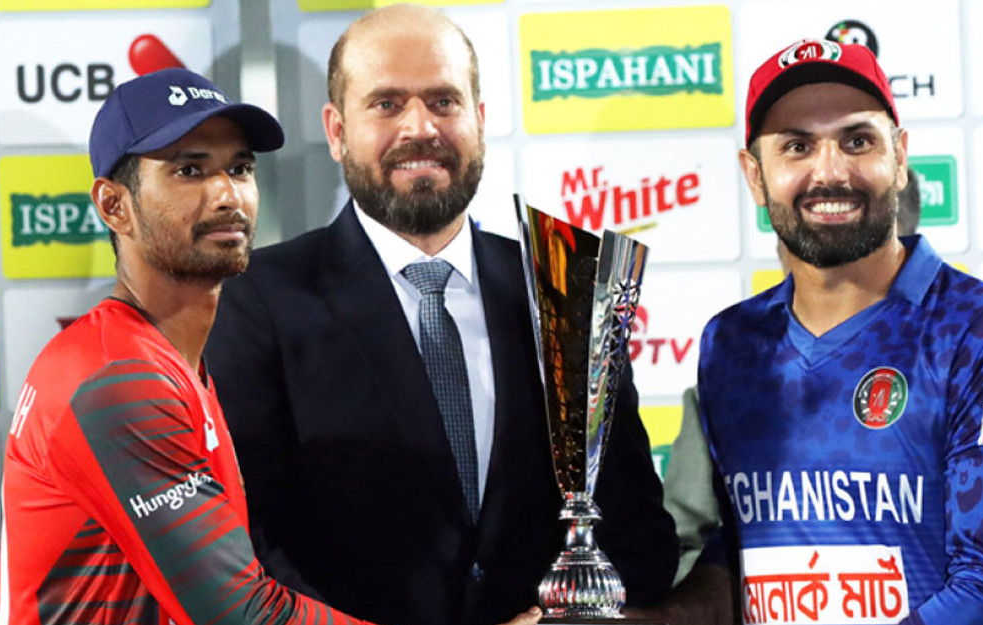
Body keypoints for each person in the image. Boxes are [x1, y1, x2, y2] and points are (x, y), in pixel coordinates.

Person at [0, 67, 543, 625]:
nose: (227, 195)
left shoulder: (172, 363)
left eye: (239, 168)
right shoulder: (118, 379)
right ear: (115, 206)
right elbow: (242, 614)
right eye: (189, 170)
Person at [203, 6, 677, 625]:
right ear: (338, 131)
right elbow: (245, 548)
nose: (420, 127)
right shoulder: (255, 301)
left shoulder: (566, 290)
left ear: (479, 120)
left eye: (444, 102)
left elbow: (638, 537)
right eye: (387, 104)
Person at [655, 39, 983, 625]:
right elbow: (745, 552)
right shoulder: (732, 345)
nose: (830, 172)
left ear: (899, 158)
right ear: (755, 175)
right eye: (797, 146)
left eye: (857, 141)